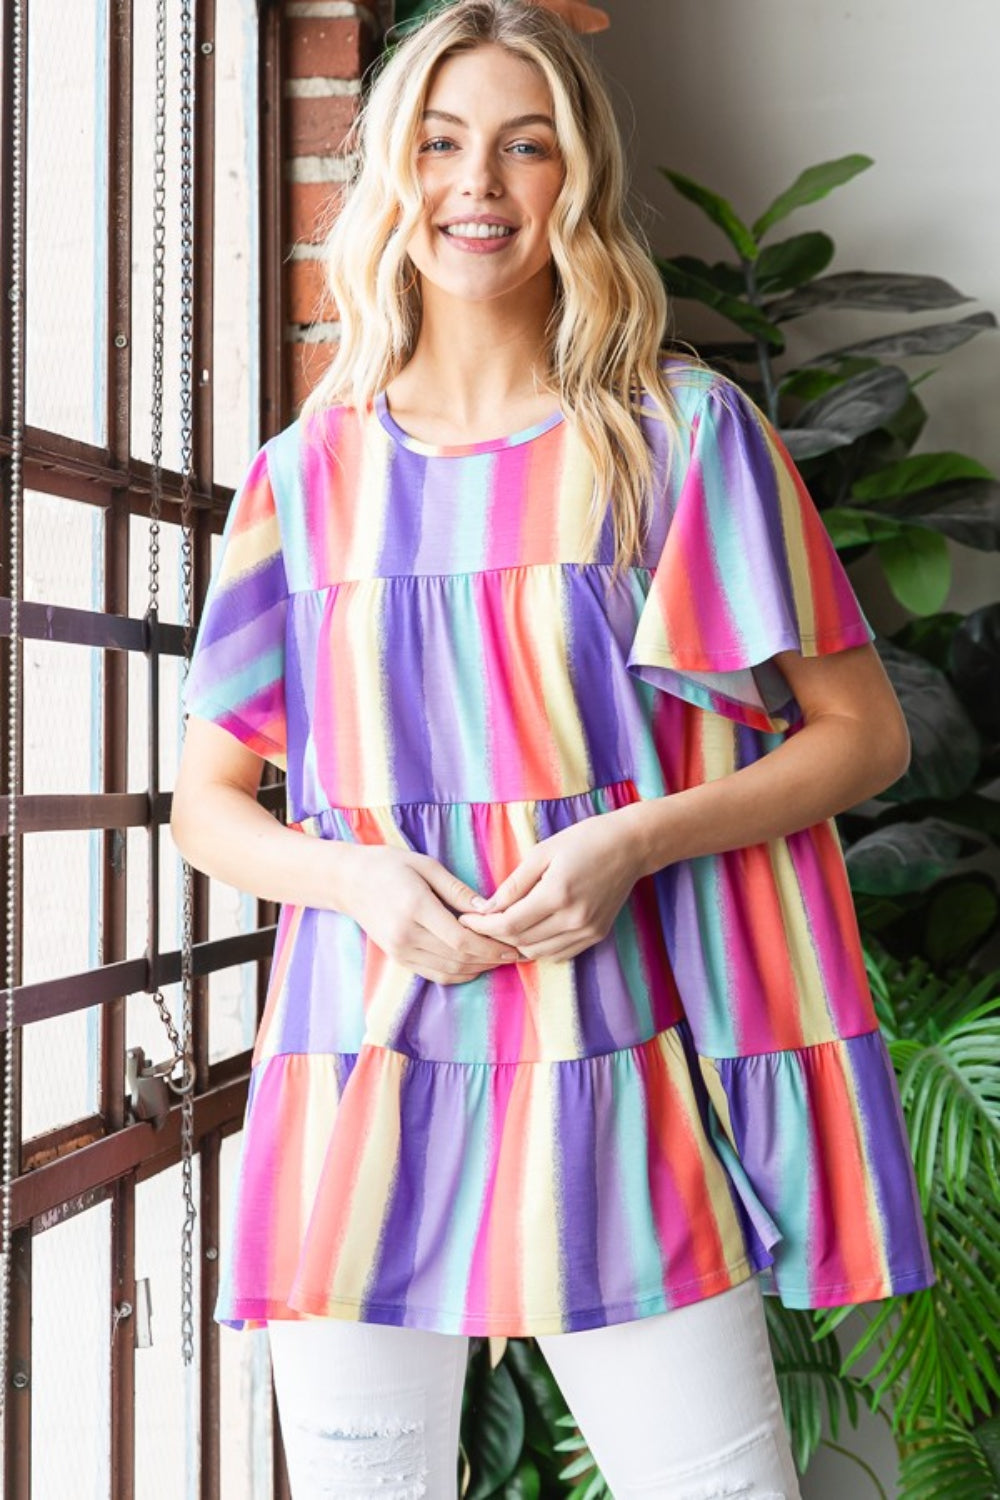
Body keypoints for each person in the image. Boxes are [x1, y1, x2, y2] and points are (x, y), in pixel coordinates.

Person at [171, 1, 935, 1494]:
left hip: (612, 1062)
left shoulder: (683, 440)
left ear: (574, 181)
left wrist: (632, 838)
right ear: (391, 175)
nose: (480, 182)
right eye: (444, 143)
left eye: (528, 146)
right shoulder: (303, 477)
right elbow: (210, 805)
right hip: (360, 1063)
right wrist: (356, 884)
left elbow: (866, 736)